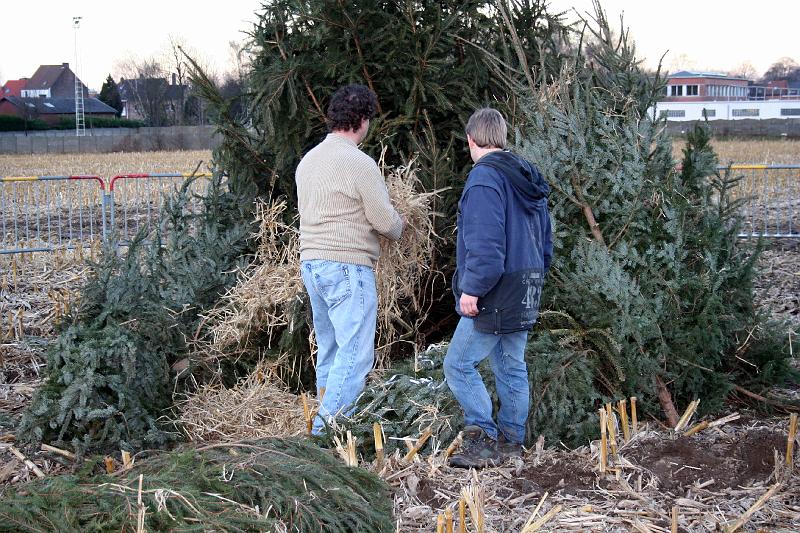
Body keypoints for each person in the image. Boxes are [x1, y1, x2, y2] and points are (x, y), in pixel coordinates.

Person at [444, 107, 552, 468]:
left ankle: (483, 438)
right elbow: (546, 242)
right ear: (502, 138)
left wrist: (472, 289)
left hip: (496, 289)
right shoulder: (526, 177)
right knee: (510, 365)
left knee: (458, 364)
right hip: (527, 285)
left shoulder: (484, 179)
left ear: (471, 141)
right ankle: (511, 441)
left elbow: (487, 246)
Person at [296, 84, 404, 434]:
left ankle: (322, 418)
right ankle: (325, 434)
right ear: (360, 120)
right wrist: (402, 225)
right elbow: (385, 221)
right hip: (347, 266)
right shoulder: (359, 163)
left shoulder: (307, 162)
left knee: (330, 350)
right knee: (355, 354)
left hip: (312, 265)